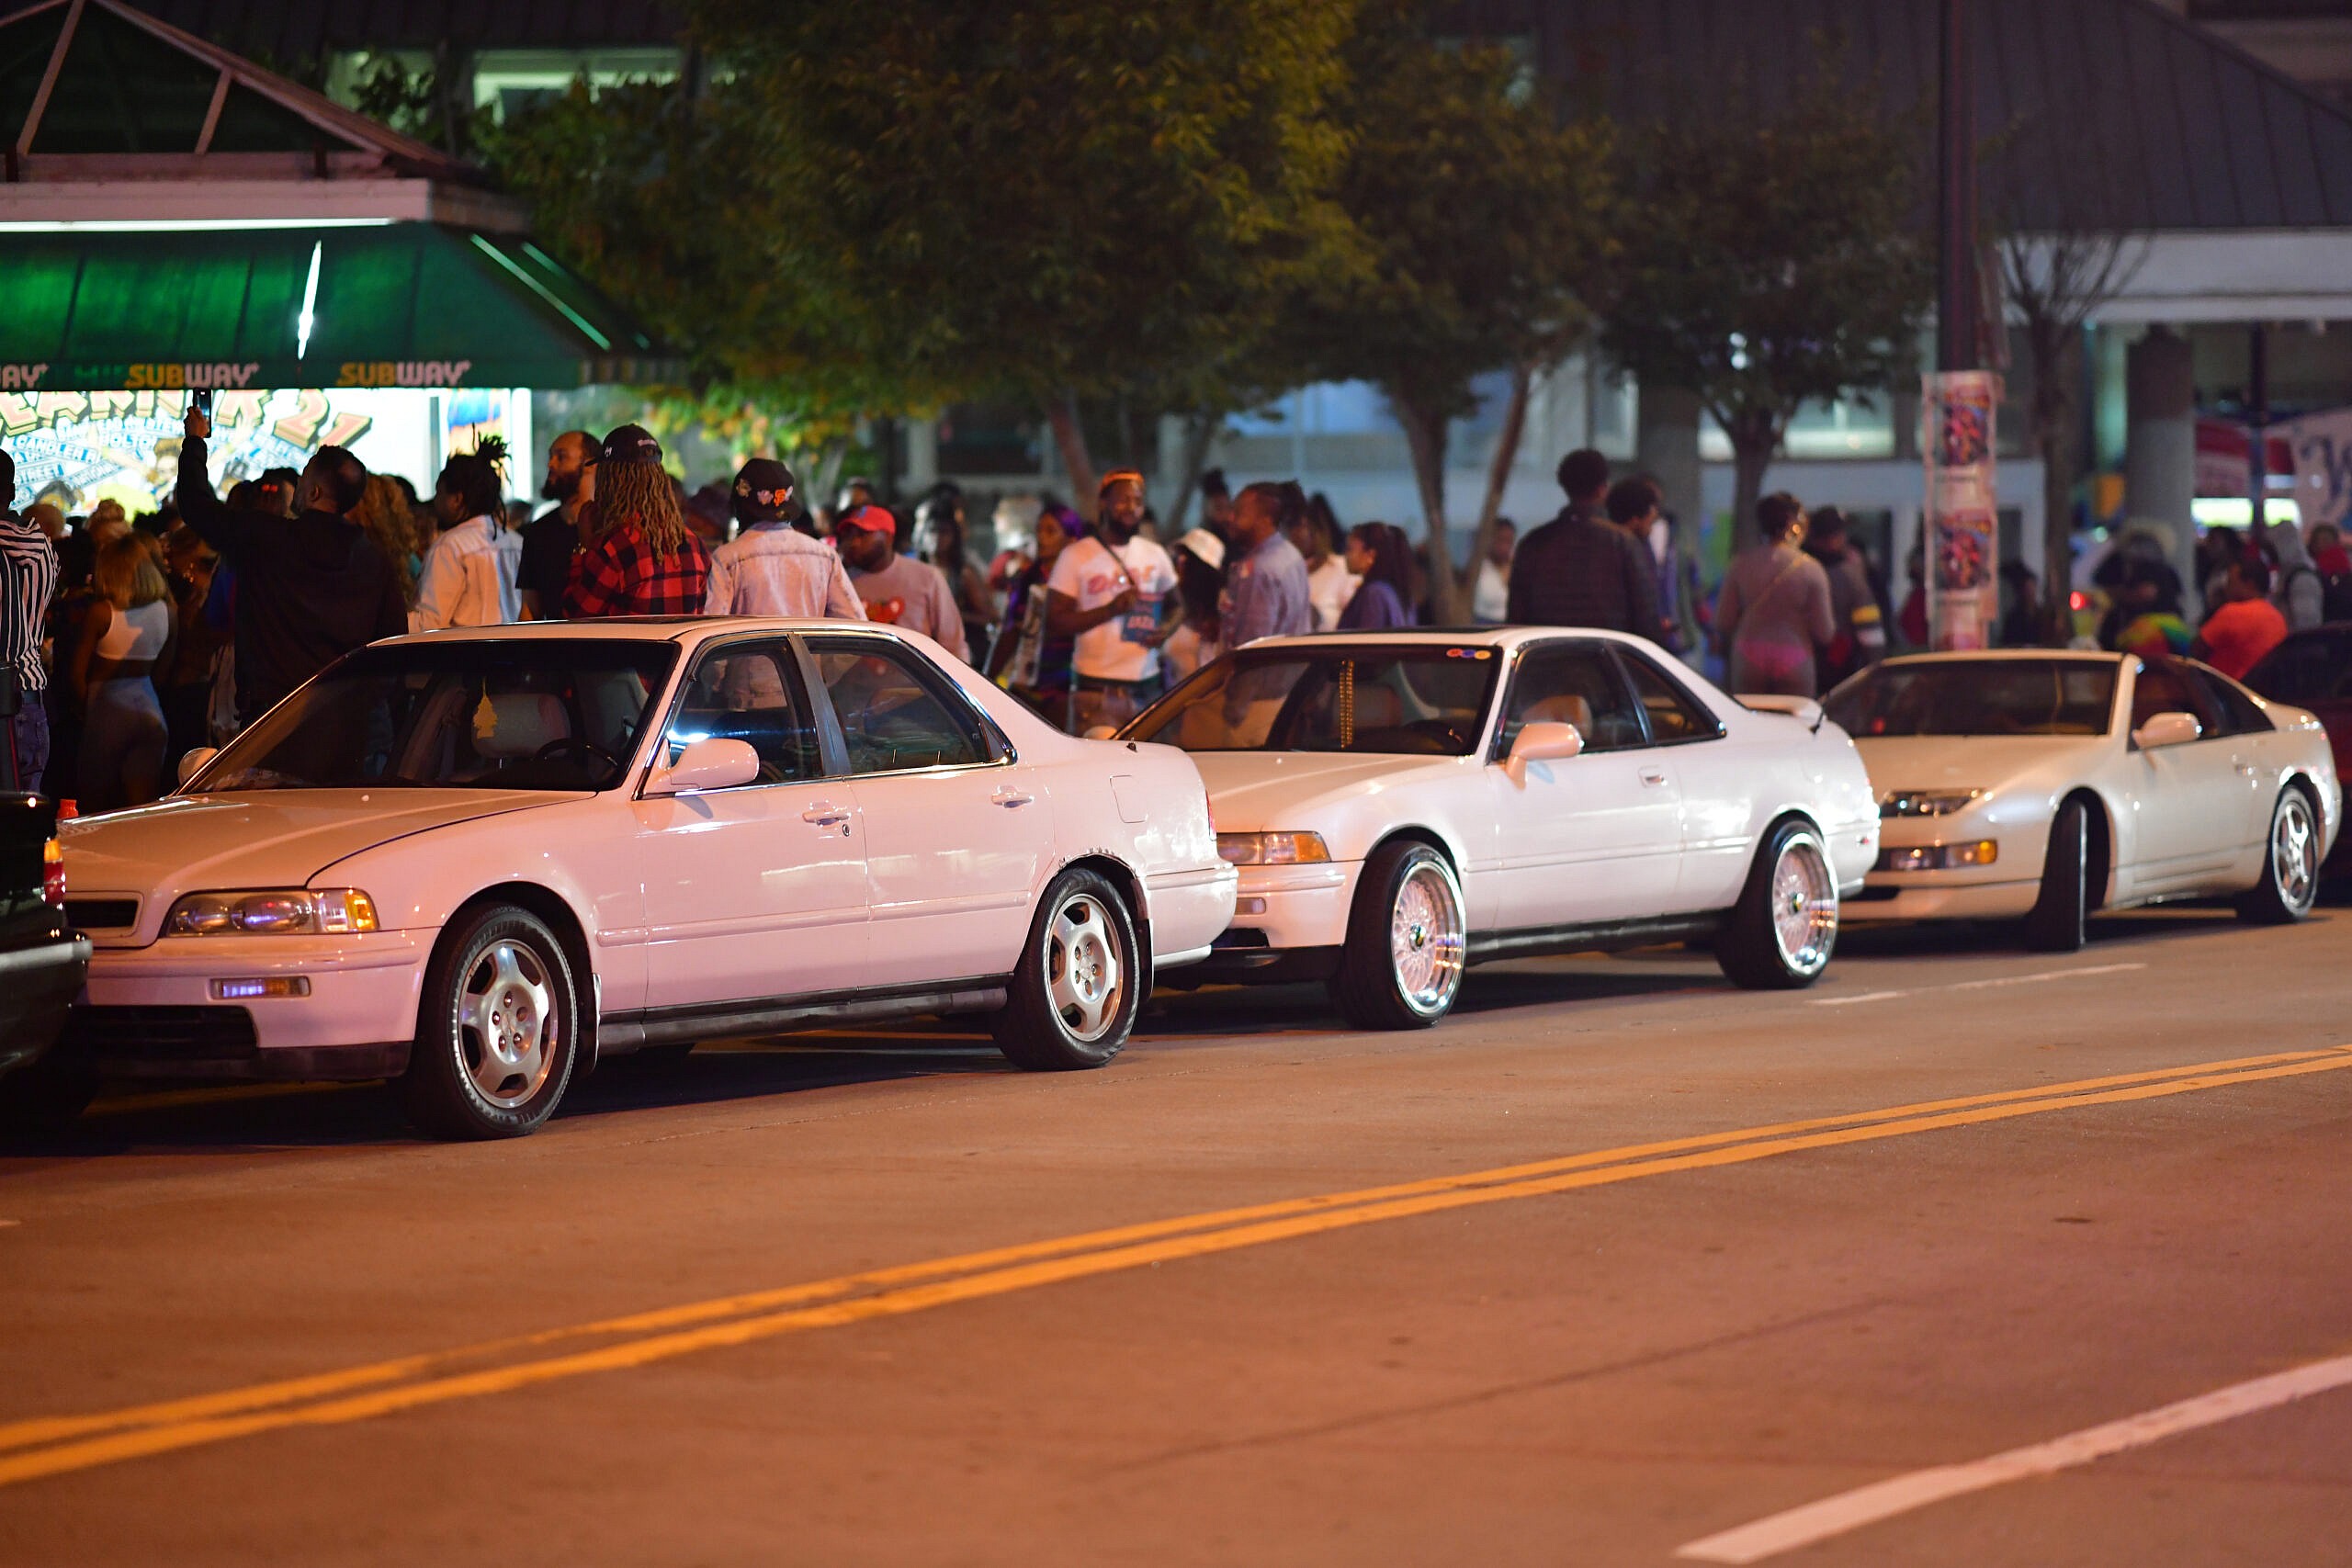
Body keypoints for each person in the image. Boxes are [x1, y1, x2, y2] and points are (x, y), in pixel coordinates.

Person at [176, 405, 405, 729]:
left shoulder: (268, 538)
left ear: (313, 492)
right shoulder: (375, 562)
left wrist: (195, 442)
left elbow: (197, 506)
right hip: (345, 721)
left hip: (272, 719)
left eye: (302, 480)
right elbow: (391, 644)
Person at [1047, 469, 1182, 729]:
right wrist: (1109, 611)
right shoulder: (1076, 556)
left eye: (1138, 501)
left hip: (1147, 691)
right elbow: (1055, 622)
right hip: (1096, 692)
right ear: (1103, 503)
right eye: (1123, 500)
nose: (1131, 508)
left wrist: (1165, 629)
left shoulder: (1154, 553)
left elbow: (1177, 606)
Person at [70, 534, 175, 810]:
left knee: (93, 807)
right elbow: (163, 670)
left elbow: (77, 675)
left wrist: (85, 710)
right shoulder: (166, 610)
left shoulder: (102, 613)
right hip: (149, 706)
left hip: (107, 709)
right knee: (142, 807)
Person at [1507, 449, 1661, 636]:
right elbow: (1645, 617)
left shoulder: (1532, 544)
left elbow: (1516, 617)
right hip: (1607, 658)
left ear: (1565, 486)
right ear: (1602, 488)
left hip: (1548, 657)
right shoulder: (1623, 543)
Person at [563, 425, 712, 618]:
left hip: (626, 650)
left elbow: (574, 615)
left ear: (611, 479)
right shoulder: (694, 544)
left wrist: (584, 547)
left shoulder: (615, 546)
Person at [705, 457, 863, 619]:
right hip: (808, 646)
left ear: (739, 508)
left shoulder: (727, 559)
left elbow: (713, 626)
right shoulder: (825, 556)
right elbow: (856, 624)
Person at [1713, 492, 1838, 696]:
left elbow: (1723, 621)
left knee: (1750, 722)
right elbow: (1825, 632)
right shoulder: (1810, 568)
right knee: (1796, 725)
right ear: (1792, 522)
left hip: (1748, 653)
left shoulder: (1741, 565)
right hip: (1795, 654)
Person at [411, 439, 523, 631]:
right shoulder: (517, 542)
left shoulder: (450, 546)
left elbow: (429, 622)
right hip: (513, 653)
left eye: (439, 492)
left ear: (456, 499)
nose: (435, 502)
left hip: (466, 655)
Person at [991, 503, 1086, 726]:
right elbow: (1010, 632)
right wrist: (986, 677)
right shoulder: (1026, 579)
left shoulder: (1081, 581)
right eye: (1039, 530)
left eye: (1051, 531)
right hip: (1027, 683)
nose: (1041, 537)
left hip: (1065, 684)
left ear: (1072, 540)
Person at [835, 502, 967, 659]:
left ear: (889, 537)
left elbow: (953, 643)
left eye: (863, 534)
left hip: (915, 682)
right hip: (854, 683)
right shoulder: (841, 581)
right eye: (849, 535)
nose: (854, 542)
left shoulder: (927, 577)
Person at [0, 447, 58, 791]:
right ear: (14, 493)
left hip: (6, 702)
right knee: (24, 824)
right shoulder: (39, 545)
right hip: (30, 695)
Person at [1219, 480, 1313, 650]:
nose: (1230, 518)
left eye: (1239, 513)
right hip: (1293, 670)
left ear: (1265, 521)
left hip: (1264, 674)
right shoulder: (1291, 554)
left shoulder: (1259, 569)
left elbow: (1251, 644)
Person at [1802, 505, 1888, 680]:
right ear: (1831, 538)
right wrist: (1878, 668)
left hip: (1800, 663)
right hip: (1840, 667)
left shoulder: (1798, 570)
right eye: (1840, 534)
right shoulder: (1847, 575)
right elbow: (1869, 627)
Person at [519, 430, 596, 620]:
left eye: (561, 457)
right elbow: (530, 610)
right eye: (551, 456)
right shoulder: (537, 533)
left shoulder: (609, 528)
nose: (550, 464)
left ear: (590, 464)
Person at [915, 487, 995, 654]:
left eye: (943, 532)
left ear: (954, 537)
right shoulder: (914, 572)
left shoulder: (964, 573)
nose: (937, 538)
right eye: (932, 531)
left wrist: (953, 614)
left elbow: (989, 616)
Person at [2193, 551, 2289, 679]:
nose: (2226, 587)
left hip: (2225, 691)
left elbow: (2196, 651)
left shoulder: (2232, 613)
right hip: (2261, 692)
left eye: (2231, 582)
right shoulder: (2277, 617)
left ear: (2249, 584)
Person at [1161, 528, 1227, 683]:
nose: (1180, 562)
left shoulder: (1225, 608)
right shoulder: (1170, 602)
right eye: (1178, 557)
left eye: (1188, 559)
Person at [1294, 492, 1357, 633]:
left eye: (1302, 526)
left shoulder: (1343, 568)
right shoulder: (1289, 573)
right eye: (1292, 527)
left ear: (1317, 531)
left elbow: (1354, 623)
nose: (1296, 533)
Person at [1340, 522, 1418, 630]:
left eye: (1350, 549)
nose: (1345, 556)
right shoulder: (1398, 593)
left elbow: (1367, 642)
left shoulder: (1374, 594)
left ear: (1370, 555)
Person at [2266, 520, 2325, 633]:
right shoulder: (2289, 574)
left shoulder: (2303, 579)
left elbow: (2307, 626)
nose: (2270, 554)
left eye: (2272, 548)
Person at [1470, 519, 1515, 624]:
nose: (1504, 547)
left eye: (1509, 541)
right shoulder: (1478, 569)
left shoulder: (1514, 567)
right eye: (1500, 540)